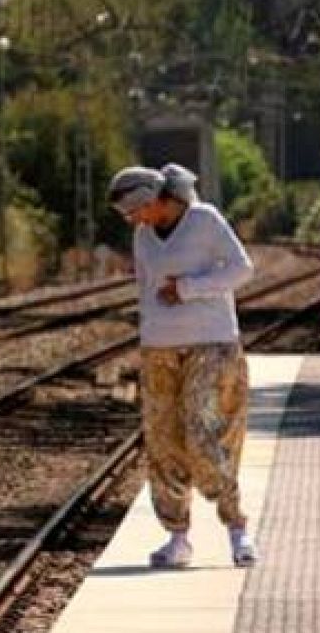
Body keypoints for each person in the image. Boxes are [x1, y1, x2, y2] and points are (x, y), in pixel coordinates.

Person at [107, 163, 258, 568]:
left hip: (211, 342)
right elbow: (145, 288)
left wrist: (189, 288)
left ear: (153, 199)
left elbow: (242, 269)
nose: (133, 220)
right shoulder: (143, 237)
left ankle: (237, 527)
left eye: (135, 211)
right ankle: (177, 537)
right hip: (158, 347)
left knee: (205, 434)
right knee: (163, 441)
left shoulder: (204, 221)